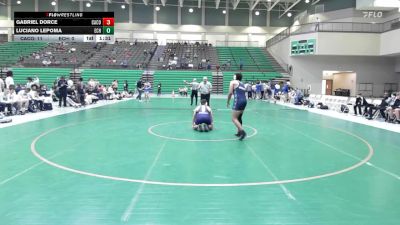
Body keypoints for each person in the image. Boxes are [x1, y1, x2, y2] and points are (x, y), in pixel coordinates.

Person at [227, 73, 247, 141]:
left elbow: (230, 92)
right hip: (244, 101)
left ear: (235, 77)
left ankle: (242, 132)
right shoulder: (242, 84)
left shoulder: (232, 82)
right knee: (239, 117)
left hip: (238, 101)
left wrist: (228, 101)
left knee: (234, 118)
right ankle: (239, 132)